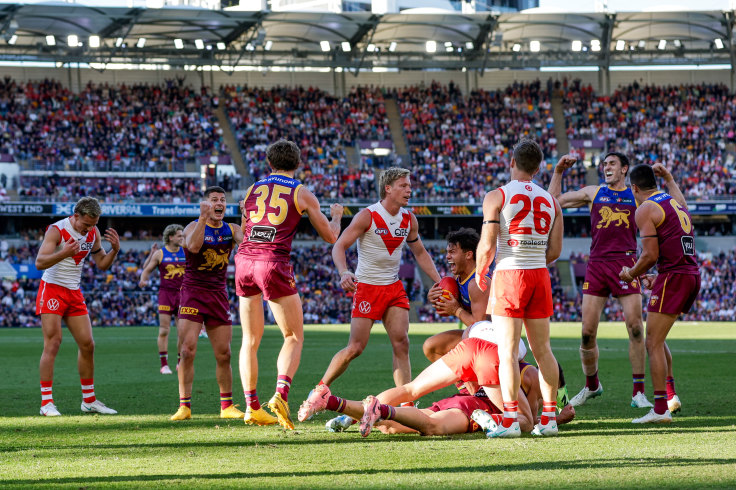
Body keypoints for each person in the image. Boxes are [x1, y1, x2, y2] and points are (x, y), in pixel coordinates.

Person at [302, 167, 441, 396]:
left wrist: (439, 281)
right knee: (356, 348)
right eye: (403, 186)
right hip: (367, 287)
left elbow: (421, 253)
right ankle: (319, 389)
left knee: (402, 343)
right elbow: (339, 246)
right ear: (388, 189)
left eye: (409, 185)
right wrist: (344, 272)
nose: (409, 189)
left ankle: (405, 403)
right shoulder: (367, 215)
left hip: (393, 287)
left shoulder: (409, 219)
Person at [236, 139, 343, 430]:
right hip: (273, 262)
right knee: (293, 336)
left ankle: (251, 407)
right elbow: (331, 236)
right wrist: (336, 216)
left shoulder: (252, 189)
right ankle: (281, 395)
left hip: (244, 260)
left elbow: (247, 225)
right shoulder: (302, 192)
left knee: (249, 339)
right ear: (298, 164)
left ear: (269, 163)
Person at [549, 152, 653, 409]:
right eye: (604, 164)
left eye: (611, 164)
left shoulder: (636, 196)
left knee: (636, 328)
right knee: (586, 334)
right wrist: (558, 172)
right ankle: (592, 385)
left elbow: (663, 219)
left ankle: (638, 393)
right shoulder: (593, 192)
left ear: (624, 169)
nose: (606, 168)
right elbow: (553, 202)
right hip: (596, 265)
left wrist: (652, 267)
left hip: (626, 265)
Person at [475, 138, 563, 437]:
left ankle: (510, 420)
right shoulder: (551, 202)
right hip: (539, 273)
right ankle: (549, 418)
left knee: (508, 352)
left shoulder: (496, 196)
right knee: (543, 351)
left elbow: (488, 244)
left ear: (512, 161)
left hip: (511, 273)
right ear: (538, 169)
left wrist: (480, 269)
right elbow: (555, 252)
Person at [619, 163, 700, 423]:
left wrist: (631, 273)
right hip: (687, 273)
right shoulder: (673, 202)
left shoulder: (645, 209)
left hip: (675, 276)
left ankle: (661, 409)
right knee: (659, 338)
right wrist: (669, 177)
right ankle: (670, 396)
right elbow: (683, 212)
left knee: (651, 341)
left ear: (634, 188)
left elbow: (649, 254)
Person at [35, 196, 120, 416]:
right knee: (53, 342)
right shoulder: (57, 230)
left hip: (74, 292)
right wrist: (64, 252)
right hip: (52, 287)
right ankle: (46, 403)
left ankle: (89, 401)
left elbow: (102, 264)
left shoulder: (93, 232)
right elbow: (39, 262)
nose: (88, 229)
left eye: (93, 225)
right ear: (75, 216)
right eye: (85, 224)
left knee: (88, 344)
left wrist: (115, 251)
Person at [170, 186, 245, 422]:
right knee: (187, 350)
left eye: (222, 200)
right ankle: (185, 406)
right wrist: (203, 217)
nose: (219, 203)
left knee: (224, 354)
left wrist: (246, 216)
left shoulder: (231, 229)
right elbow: (192, 247)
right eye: (214, 200)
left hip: (218, 294)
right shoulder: (193, 226)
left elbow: (247, 245)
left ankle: (227, 406)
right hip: (193, 293)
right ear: (206, 204)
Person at [423, 228, 491, 362]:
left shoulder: (477, 282)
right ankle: (465, 383)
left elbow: (481, 327)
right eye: (447, 252)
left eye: (452, 252)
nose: (447, 256)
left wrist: (456, 310)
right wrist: (435, 299)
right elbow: (448, 311)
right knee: (431, 347)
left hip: (495, 339)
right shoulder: (458, 279)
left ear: (468, 255)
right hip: (477, 337)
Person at [139, 224, 186, 374]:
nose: (182, 238)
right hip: (166, 295)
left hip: (183, 295)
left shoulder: (186, 251)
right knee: (164, 330)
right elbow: (146, 270)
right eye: (179, 235)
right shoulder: (160, 253)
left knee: (182, 332)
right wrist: (144, 279)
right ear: (171, 237)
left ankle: (180, 363)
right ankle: (164, 365)